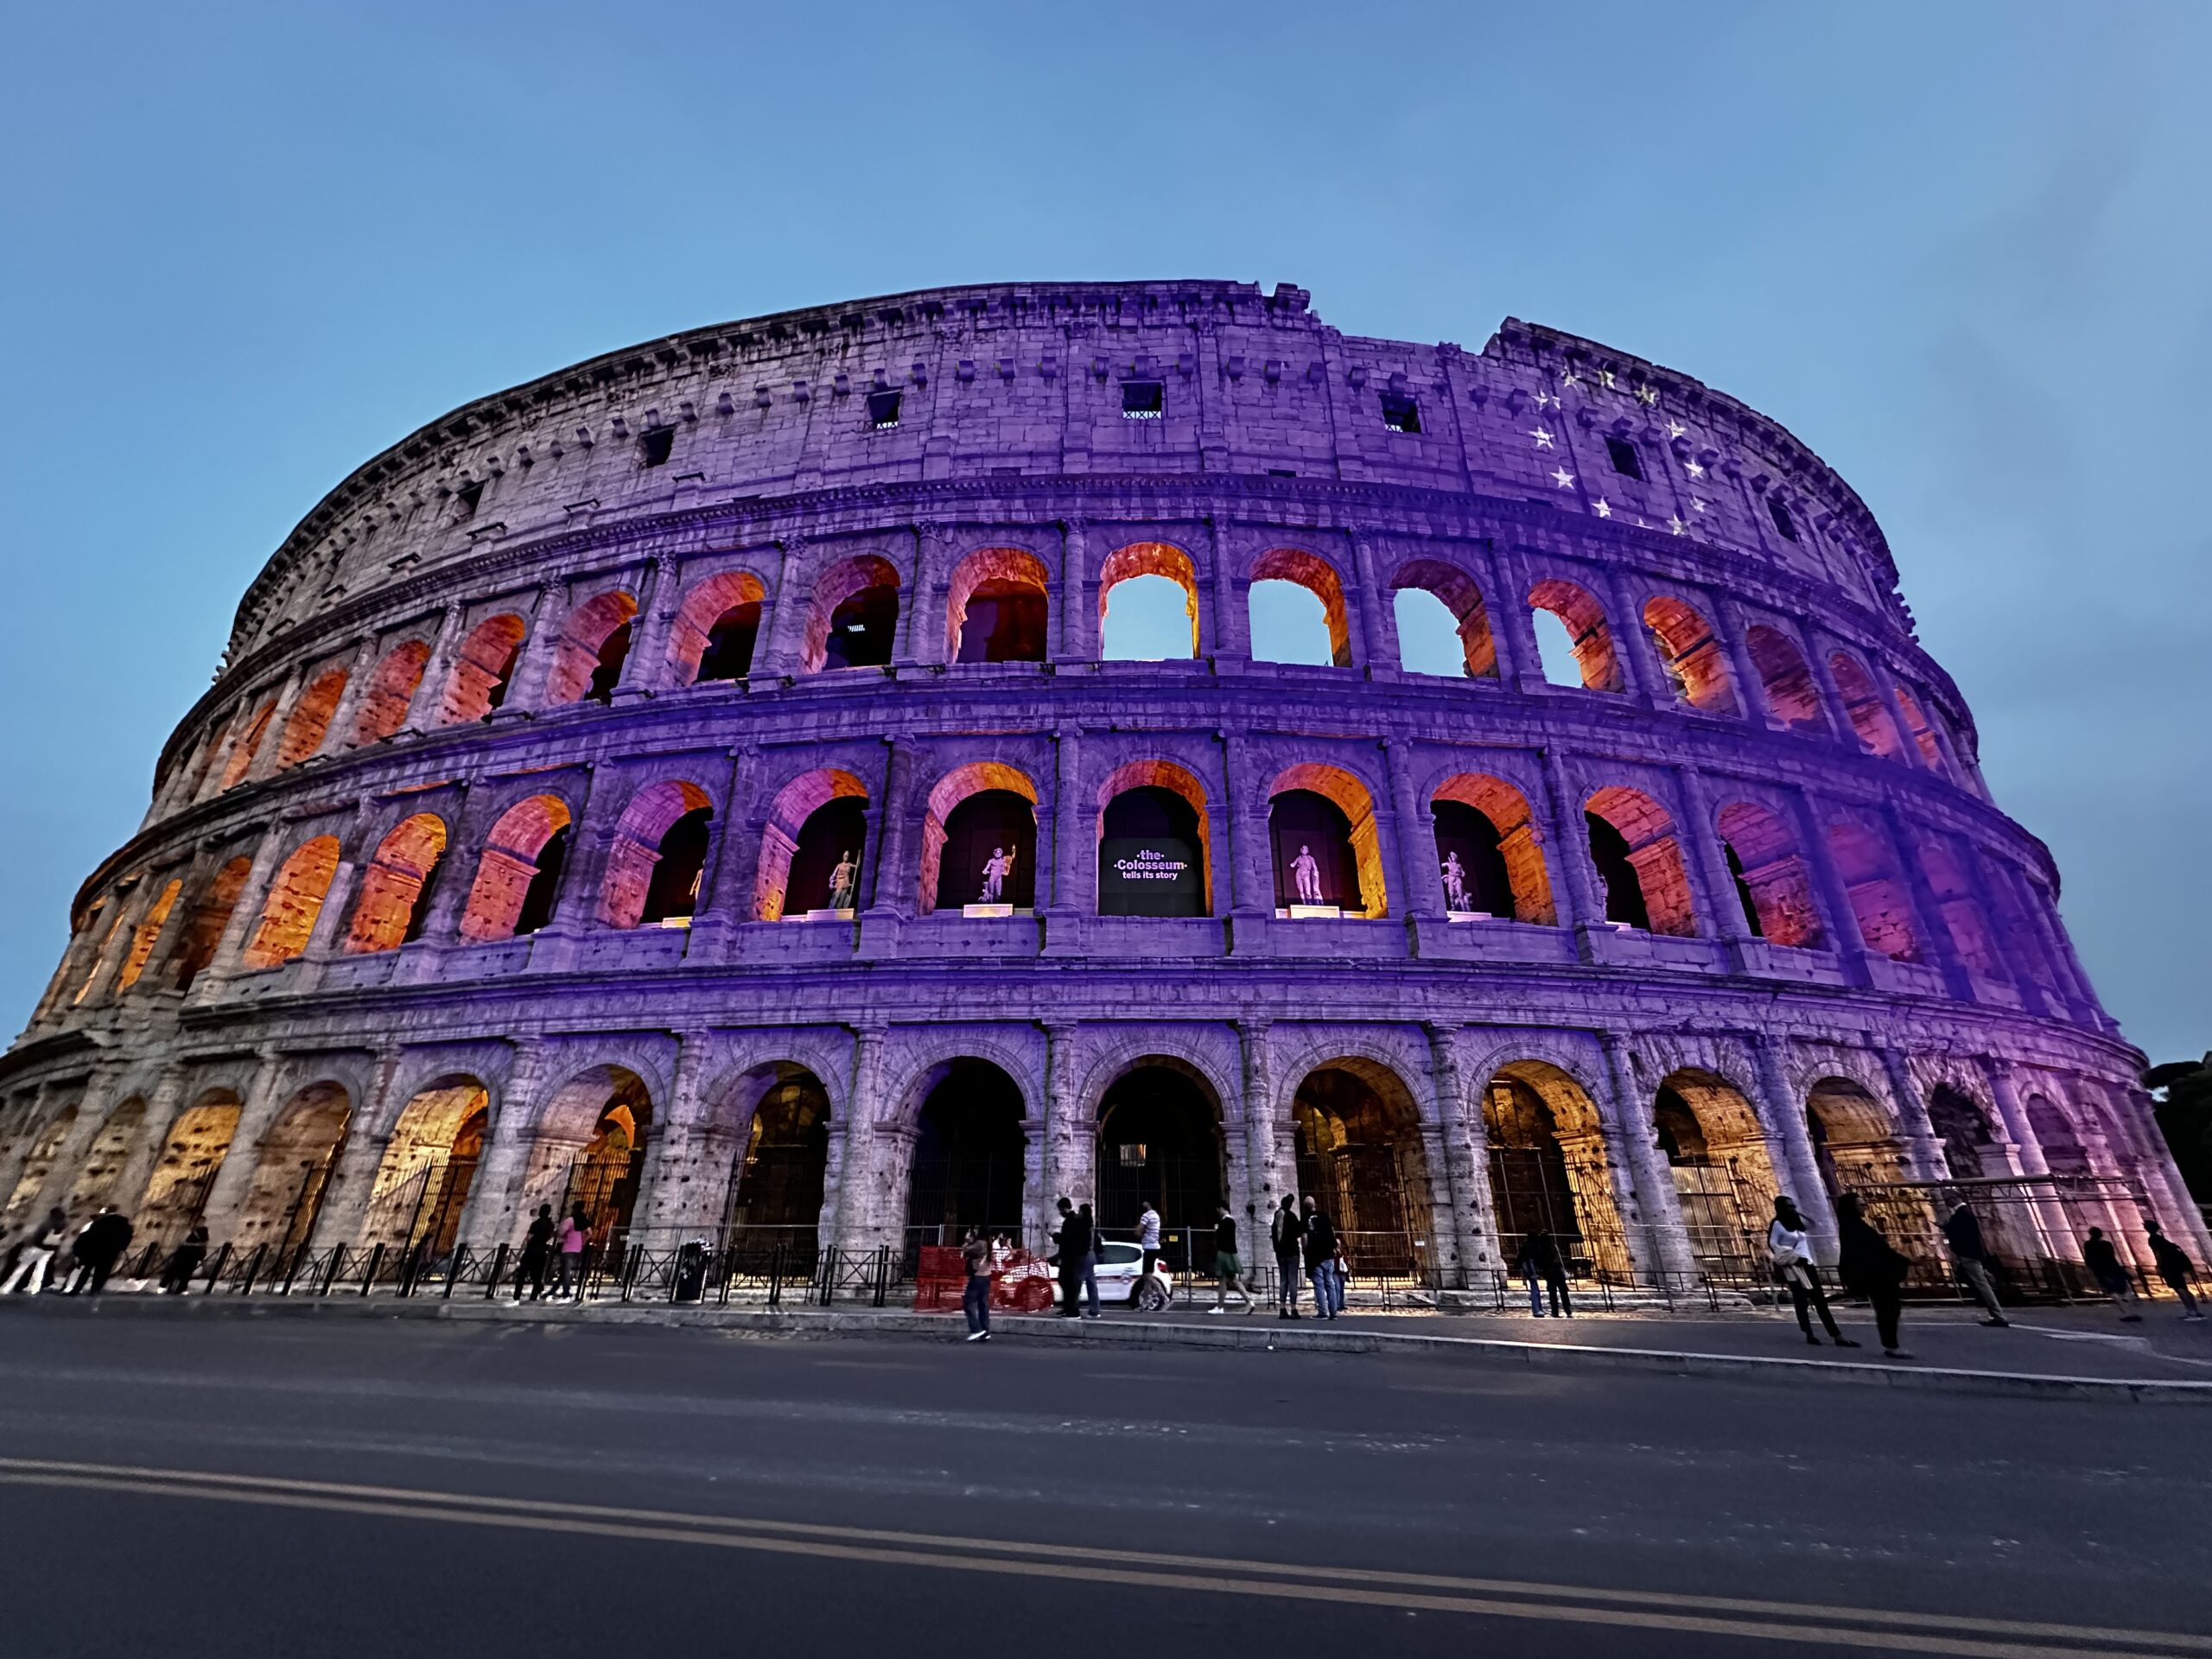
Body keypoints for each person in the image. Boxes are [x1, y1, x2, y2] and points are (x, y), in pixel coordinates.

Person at [1767, 1196, 1852, 1347]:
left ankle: (1837, 1335)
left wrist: (1799, 1212)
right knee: (1801, 1301)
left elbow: (1814, 1223)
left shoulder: (1796, 1222)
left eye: (1792, 1206)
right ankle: (1809, 1333)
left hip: (1808, 1263)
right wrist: (1789, 1254)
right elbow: (1772, 1243)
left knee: (1820, 1300)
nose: (1791, 1209)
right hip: (1794, 1266)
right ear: (1781, 1208)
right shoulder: (1778, 1224)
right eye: (1788, 1206)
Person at [1834, 1193, 1910, 1357]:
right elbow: (1873, 1250)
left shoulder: (1855, 1225)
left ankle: (1891, 1344)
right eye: (1861, 1204)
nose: (1865, 1206)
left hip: (1877, 1273)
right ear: (1852, 1207)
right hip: (1875, 1275)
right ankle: (1891, 1346)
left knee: (1889, 1308)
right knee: (1887, 1309)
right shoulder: (1852, 1227)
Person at [1941, 1199, 2009, 1326]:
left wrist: (1946, 1228)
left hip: (1968, 1255)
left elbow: (1960, 1234)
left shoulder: (1962, 1214)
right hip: (1974, 1254)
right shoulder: (1965, 1213)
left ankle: (1998, 1315)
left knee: (1982, 1284)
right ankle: (1997, 1309)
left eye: (1947, 1198)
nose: (1946, 1202)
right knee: (1983, 1281)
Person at [67, 1206, 134, 1295]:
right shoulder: (123, 1223)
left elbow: (90, 1235)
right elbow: (128, 1236)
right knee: (103, 1272)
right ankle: (95, 1290)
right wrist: (121, 1247)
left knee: (87, 1270)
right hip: (111, 1252)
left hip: (96, 1249)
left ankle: (76, 1289)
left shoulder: (101, 1221)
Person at [2145, 1221, 2203, 1321]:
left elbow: (2157, 1252)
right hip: (2174, 1265)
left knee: (2179, 1288)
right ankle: (2194, 1310)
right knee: (2182, 1287)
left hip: (2168, 1266)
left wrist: (2158, 1266)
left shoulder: (2153, 1239)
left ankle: (2191, 1311)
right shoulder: (2161, 1238)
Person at [2081, 1226, 2142, 1321]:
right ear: (2101, 1234)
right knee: (2124, 1287)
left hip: (2100, 1270)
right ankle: (2127, 1306)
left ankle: (2125, 1312)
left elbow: (2089, 1258)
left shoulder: (2088, 1244)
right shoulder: (2107, 1244)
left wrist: (2091, 1268)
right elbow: (2112, 1257)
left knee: (2111, 1290)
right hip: (2113, 1268)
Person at [3, 1206, 67, 1295]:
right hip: (49, 1250)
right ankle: (35, 1288)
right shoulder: (63, 1225)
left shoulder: (47, 1224)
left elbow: (36, 1237)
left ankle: (8, 1287)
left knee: (21, 1268)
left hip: (37, 1248)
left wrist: (28, 1247)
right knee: (40, 1269)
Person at [1512, 1228, 1573, 1319]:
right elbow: (1559, 1261)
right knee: (1563, 1292)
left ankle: (1554, 1311)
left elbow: (1538, 1260)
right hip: (1558, 1272)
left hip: (1549, 1273)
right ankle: (1567, 1310)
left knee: (1552, 1293)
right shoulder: (1553, 1247)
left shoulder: (1540, 1249)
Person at [1210, 1202, 1255, 1313]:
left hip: (1224, 1253)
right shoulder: (1231, 1222)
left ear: (1222, 1208)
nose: (1218, 1212)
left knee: (1223, 1280)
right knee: (1234, 1280)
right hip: (1231, 1253)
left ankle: (1220, 1307)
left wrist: (1217, 1230)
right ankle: (1249, 1301)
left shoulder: (1225, 1222)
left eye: (1218, 1209)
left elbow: (1221, 1238)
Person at [1302, 1199, 1339, 1321]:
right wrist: (1335, 1246)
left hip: (1315, 1255)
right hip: (1328, 1254)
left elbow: (1304, 1237)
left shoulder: (1305, 1218)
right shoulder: (1324, 1215)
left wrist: (1305, 1251)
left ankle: (1323, 1312)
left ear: (1305, 1207)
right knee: (1330, 1283)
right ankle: (1333, 1312)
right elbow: (1332, 1232)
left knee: (1319, 1285)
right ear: (1315, 1204)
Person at [1271, 1194, 1305, 1319]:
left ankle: (1282, 1308)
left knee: (1283, 1281)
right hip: (1292, 1252)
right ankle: (1294, 1309)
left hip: (1280, 1254)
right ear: (1290, 1205)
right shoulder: (1291, 1216)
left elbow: (1274, 1235)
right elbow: (1299, 1232)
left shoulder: (1276, 1217)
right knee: (1292, 1281)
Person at [514, 1203, 555, 1303]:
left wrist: (520, 1252)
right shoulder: (551, 1225)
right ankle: (534, 1295)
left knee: (522, 1274)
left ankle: (517, 1295)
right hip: (542, 1251)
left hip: (532, 1250)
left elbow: (528, 1238)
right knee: (537, 1275)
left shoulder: (536, 1223)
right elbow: (551, 1237)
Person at [961, 1226, 993, 1342]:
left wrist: (966, 1240)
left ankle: (976, 1329)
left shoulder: (980, 1243)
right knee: (983, 1305)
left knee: (968, 1304)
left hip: (978, 1277)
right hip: (986, 1276)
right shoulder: (987, 1243)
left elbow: (965, 1249)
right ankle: (985, 1331)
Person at [1053, 1197, 1084, 1318]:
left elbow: (1068, 1240)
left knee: (1068, 1283)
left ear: (1065, 1208)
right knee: (1064, 1281)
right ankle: (1068, 1308)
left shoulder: (1071, 1221)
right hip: (1070, 1257)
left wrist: (1056, 1237)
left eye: (1060, 1209)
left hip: (1070, 1258)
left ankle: (1072, 1310)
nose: (1060, 1212)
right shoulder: (1072, 1220)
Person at [551, 1205, 588, 1300]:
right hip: (578, 1248)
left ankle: (566, 1293)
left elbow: (560, 1232)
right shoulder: (583, 1221)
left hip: (568, 1248)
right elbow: (590, 1233)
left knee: (566, 1272)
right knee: (565, 1271)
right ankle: (553, 1290)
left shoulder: (570, 1220)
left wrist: (560, 1234)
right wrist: (583, 1242)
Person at [160, 1223, 209, 1294]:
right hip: (191, 1260)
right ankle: (180, 1290)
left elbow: (181, 1249)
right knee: (185, 1276)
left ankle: (163, 1286)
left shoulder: (192, 1238)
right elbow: (202, 1254)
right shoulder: (201, 1240)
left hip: (182, 1259)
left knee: (173, 1272)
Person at [1076, 1202, 1102, 1319]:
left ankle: (1073, 1307)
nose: (1078, 1213)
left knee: (1077, 1282)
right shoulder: (1092, 1226)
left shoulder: (1082, 1225)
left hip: (1084, 1255)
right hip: (1092, 1255)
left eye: (1080, 1211)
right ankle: (1095, 1309)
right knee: (1091, 1283)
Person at [1137, 1199, 1163, 1281]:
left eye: (1144, 1202)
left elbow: (1138, 1232)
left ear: (1148, 1203)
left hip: (1149, 1247)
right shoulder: (1156, 1215)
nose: (1142, 1204)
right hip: (1155, 1246)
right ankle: (1147, 1292)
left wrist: (1138, 1230)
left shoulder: (1146, 1215)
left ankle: (1161, 1292)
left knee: (1146, 1274)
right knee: (1149, 1273)